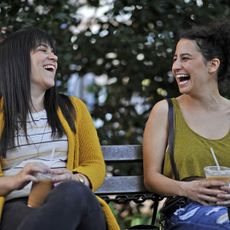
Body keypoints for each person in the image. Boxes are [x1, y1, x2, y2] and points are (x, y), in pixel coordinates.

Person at [0, 27, 119, 230]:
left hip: (75, 204)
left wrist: (75, 178)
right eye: (43, 50)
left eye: (53, 52)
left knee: (72, 192)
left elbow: (94, 164)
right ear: (17, 59)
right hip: (17, 206)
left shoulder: (74, 109)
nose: (53, 57)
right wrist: (15, 180)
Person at [143, 20, 230, 229]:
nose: (175, 67)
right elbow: (151, 177)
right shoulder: (165, 111)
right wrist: (187, 188)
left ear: (213, 65)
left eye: (185, 58)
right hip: (185, 208)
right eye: (175, 59)